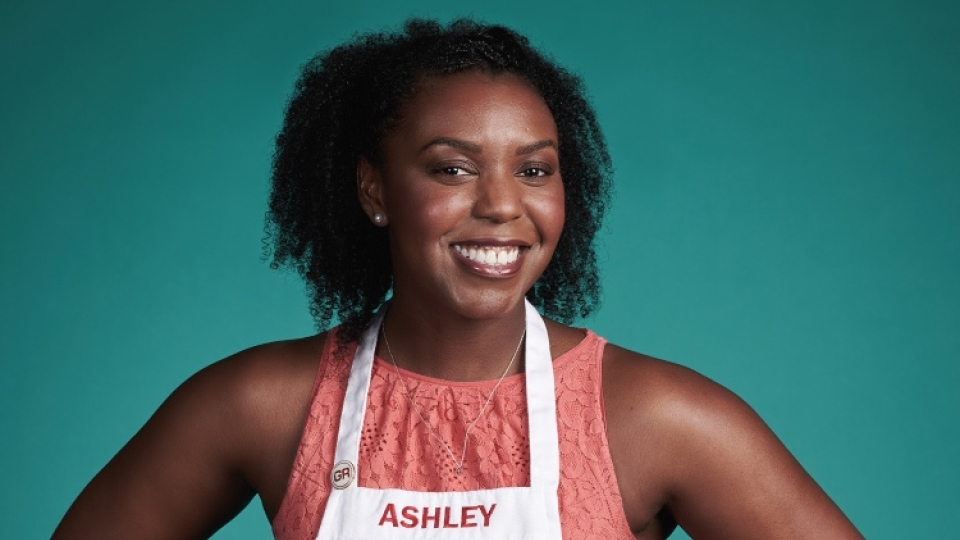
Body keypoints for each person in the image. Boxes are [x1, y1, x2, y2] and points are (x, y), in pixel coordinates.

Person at [53, 19, 864, 540]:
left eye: (535, 170)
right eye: (453, 169)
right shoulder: (262, 404)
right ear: (375, 190)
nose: (503, 207)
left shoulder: (658, 419)